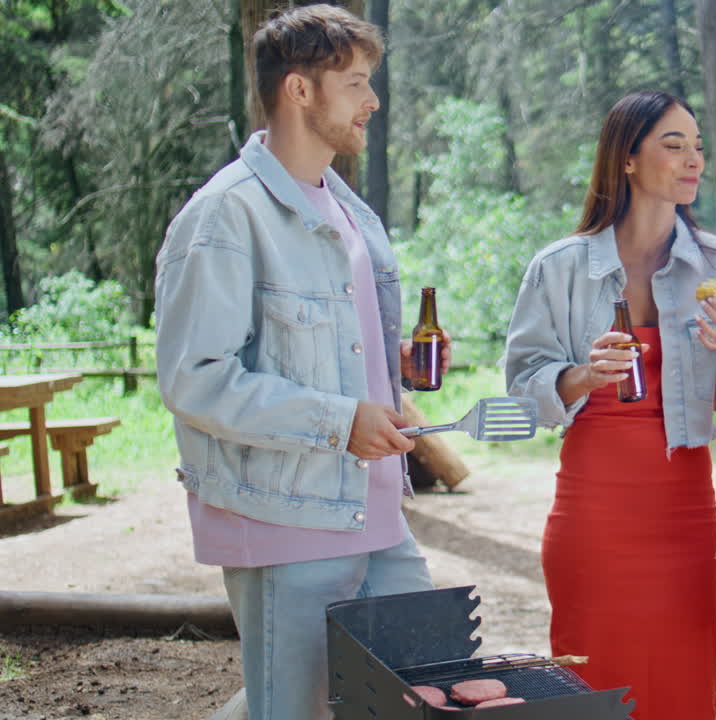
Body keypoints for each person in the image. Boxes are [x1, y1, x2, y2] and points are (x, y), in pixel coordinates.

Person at [154, 6, 448, 719]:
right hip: (286, 518)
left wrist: (392, 364)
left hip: (377, 511)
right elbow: (196, 379)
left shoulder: (350, 211)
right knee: (290, 708)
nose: (372, 100)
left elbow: (326, 349)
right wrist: (339, 417)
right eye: (356, 83)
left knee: (423, 695)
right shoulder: (225, 215)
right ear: (300, 90)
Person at [503, 90, 716, 719]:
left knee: (682, 676)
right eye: (673, 146)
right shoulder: (559, 267)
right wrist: (583, 376)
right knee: (592, 676)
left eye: (697, 147)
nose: (692, 160)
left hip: (685, 505)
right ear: (626, 158)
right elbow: (523, 389)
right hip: (594, 510)